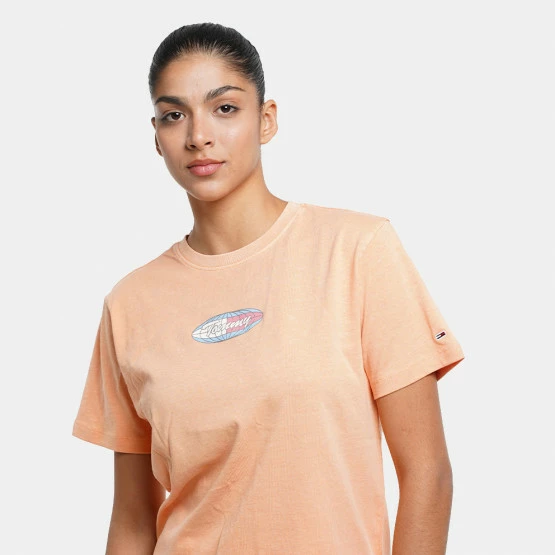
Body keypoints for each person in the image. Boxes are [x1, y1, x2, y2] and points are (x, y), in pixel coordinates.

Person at [72, 22, 465, 555]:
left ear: (267, 120)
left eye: (224, 108)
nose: (198, 135)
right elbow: (133, 521)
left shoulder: (357, 250)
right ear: (156, 136)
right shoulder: (129, 304)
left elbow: (427, 474)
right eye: (174, 115)